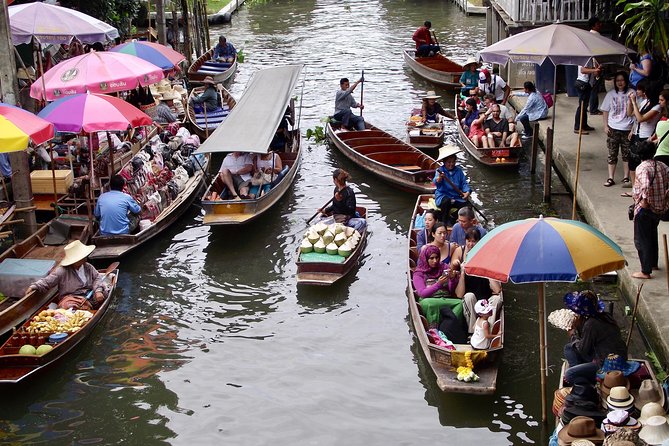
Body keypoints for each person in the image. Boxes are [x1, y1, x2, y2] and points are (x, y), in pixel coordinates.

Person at [563, 290, 628, 384]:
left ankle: (586, 382)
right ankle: (580, 371)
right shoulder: (606, 316)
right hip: (612, 355)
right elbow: (586, 343)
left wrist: (572, 334)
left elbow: (583, 349)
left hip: (607, 363)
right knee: (569, 348)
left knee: (570, 374)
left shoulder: (591, 324)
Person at [23, 240, 110, 310]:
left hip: (89, 294)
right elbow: (47, 281)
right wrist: (34, 286)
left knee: (104, 294)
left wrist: (98, 291)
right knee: (69, 307)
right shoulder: (62, 271)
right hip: (71, 298)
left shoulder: (88, 267)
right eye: (82, 257)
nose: (85, 258)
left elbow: (98, 278)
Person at [631, 141, 669, 279]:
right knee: (652, 234)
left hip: (646, 208)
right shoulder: (662, 165)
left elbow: (645, 186)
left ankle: (645, 270)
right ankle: (653, 263)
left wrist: (644, 201)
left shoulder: (642, 168)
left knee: (642, 239)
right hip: (659, 207)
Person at [455, 227, 502, 333]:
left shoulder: (487, 258)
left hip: (486, 301)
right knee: (469, 296)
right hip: (472, 301)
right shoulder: (463, 258)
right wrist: (462, 272)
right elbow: (459, 294)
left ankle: (487, 330)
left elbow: (497, 290)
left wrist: (486, 269)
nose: (471, 244)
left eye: (474, 241)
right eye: (469, 241)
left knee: (497, 299)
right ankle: (474, 332)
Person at [412, 244, 464, 325]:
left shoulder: (444, 267)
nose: (435, 261)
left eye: (437, 257)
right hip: (429, 300)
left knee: (460, 304)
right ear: (426, 259)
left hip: (445, 298)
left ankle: (449, 326)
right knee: (430, 304)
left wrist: (452, 279)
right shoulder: (419, 273)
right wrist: (438, 284)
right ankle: (433, 328)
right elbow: (422, 293)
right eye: (431, 258)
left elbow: (451, 290)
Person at [601, 71, 635, 187]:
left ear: (626, 81)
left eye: (622, 80)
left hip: (627, 127)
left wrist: (633, 129)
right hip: (613, 127)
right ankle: (611, 177)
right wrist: (605, 126)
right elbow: (605, 110)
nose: (620, 83)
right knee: (612, 153)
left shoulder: (632, 93)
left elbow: (636, 112)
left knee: (626, 154)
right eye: (618, 81)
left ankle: (626, 177)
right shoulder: (610, 94)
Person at [626, 80, 661, 185]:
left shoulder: (657, 107)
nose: (643, 93)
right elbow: (630, 113)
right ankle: (634, 188)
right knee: (632, 163)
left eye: (645, 91)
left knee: (643, 163)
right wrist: (630, 102)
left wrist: (633, 102)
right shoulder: (645, 102)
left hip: (646, 136)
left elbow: (641, 118)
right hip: (636, 134)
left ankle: (642, 188)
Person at [319, 168, 366, 232]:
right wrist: (325, 210)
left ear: (335, 180)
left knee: (362, 222)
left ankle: (351, 233)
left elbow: (351, 211)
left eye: (333, 180)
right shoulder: (336, 190)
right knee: (318, 222)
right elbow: (334, 205)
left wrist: (340, 201)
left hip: (348, 220)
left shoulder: (349, 192)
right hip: (336, 219)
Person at [433, 145, 471, 226]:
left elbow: (464, 183)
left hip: (456, 196)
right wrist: (439, 178)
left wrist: (467, 192)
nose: (451, 164)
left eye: (453, 162)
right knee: (446, 202)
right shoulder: (440, 171)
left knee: (468, 206)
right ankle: (443, 222)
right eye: (449, 162)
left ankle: (454, 218)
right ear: (444, 162)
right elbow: (436, 182)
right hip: (444, 196)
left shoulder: (459, 171)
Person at [574, 59, 601, 134]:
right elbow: (583, 70)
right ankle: (577, 127)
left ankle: (584, 125)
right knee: (582, 106)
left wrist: (596, 67)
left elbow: (596, 74)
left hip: (587, 84)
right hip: (582, 83)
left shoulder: (592, 60)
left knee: (585, 106)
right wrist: (594, 69)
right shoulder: (585, 59)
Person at [587, 17, 604, 115]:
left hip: (591, 65)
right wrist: (598, 66)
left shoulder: (588, 35)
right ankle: (593, 108)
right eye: (598, 23)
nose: (600, 25)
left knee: (593, 88)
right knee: (594, 88)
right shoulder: (597, 36)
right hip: (595, 65)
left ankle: (591, 107)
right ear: (594, 25)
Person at [651, 90, 669, 168]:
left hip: (661, 154)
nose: (659, 102)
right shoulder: (662, 116)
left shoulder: (662, 122)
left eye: (662, 100)